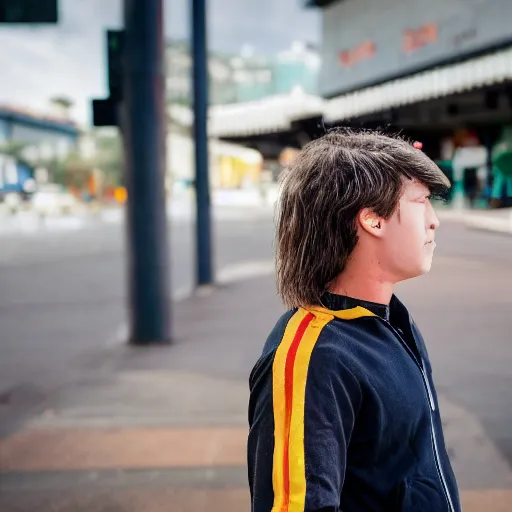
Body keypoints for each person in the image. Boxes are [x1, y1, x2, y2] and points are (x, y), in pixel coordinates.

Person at [247, 130, 460, 512]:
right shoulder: (315, 354)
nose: (434, 222)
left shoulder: (390, 320)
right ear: (372, 220)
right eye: (422, 202)